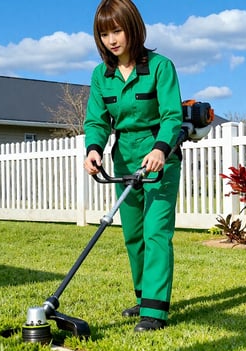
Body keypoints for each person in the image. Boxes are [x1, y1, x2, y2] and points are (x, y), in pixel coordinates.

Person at [83, 0, 183, 332]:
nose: (111, 39)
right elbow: (96, 120)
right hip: (123, 158)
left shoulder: (160, 67)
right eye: (104, 33)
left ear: (133, 28)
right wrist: (94, 150)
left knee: (156, 233)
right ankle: (143, 298)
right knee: (133, 235)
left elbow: (171, 116)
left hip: (159, 160)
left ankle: (155, 311)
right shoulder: (102, 75)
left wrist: (160, 150)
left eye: (117, 30)